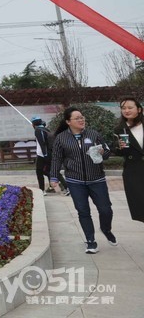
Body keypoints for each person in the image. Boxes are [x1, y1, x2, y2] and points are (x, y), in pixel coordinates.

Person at [49, 106, 115, 253]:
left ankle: (106, 229)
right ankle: (90, 241)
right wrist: (53, 177)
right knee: (83, 211)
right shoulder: (61, 138)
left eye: (82, 117)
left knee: (106, 210)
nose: (81, 120)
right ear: (68, 121)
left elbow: (107, 152)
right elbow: (56, 159)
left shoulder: (93, 134)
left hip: (97, 179)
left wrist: (103, 153)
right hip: (75, 180)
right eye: (77, 118)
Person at [112, 97, 144, 224]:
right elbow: (119, 152)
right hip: (133, 171)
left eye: (130, 107)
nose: (126, 110)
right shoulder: (120, 129)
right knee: (140, 204)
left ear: (139, 109)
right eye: (123, 108)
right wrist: (119, 147)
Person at [32, 117, 67, 196]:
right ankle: (65, 187)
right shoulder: (45, 129)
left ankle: (42, 190)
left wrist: (45, 155)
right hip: (49, 154)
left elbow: (42, 143)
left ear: (33, 124)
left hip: (42, 155)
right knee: (52, 172)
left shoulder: (37, 131)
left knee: (39, 172)